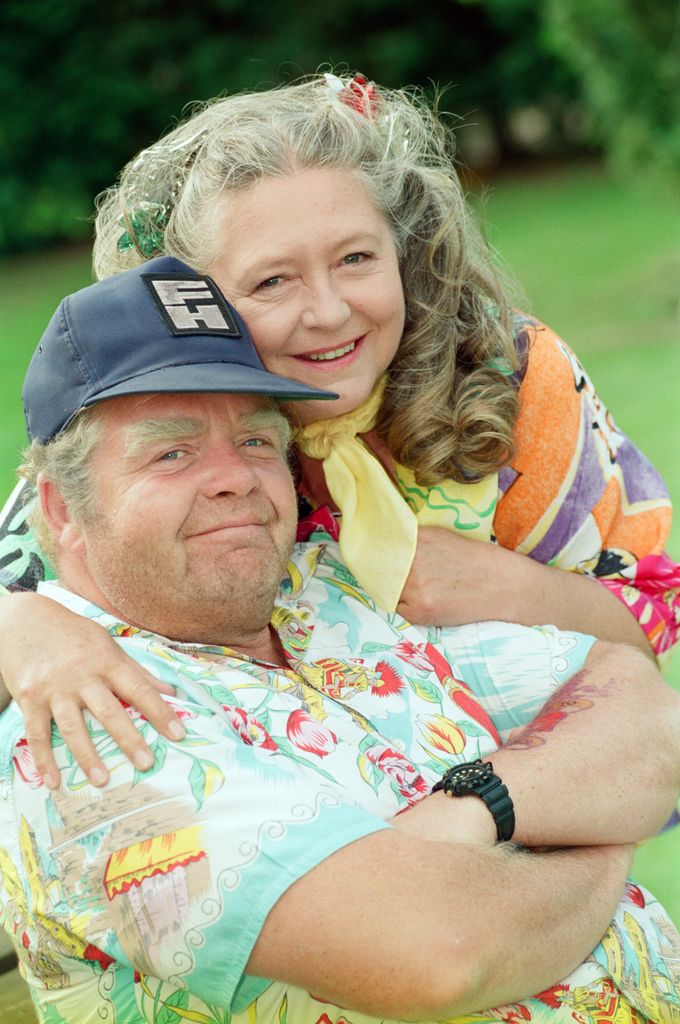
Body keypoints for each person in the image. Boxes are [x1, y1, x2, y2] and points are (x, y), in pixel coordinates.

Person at [2, 256, 680, 1024]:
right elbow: (443, 953)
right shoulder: (78, 728)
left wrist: (479, 808)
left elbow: (640, 705)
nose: (236, 478)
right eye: (173, 452)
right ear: (59, 510)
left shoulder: (329, 584)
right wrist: (592, 831)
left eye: (258, 442)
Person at [0, 71, 679, 790]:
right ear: (198, 304)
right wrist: (23, 629)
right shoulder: (174, 424)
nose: (328, 312)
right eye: (272, 282)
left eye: (356, 259)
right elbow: (39, 541)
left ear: (404, 252)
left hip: (554, 781)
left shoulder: (509, 378)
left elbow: (647, 626)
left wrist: (511, 586)